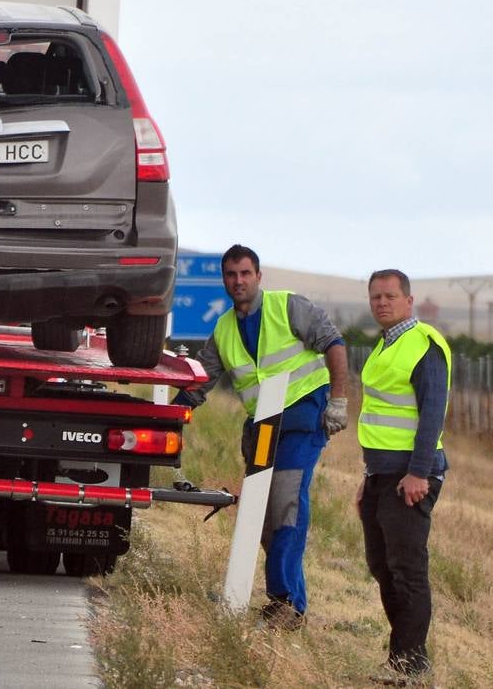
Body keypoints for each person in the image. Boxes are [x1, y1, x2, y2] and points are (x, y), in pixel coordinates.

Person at [172, 244, 350, 628]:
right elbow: (201, 381)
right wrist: (170, 413)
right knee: (263, 515)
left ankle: (283, 601)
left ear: (258, 276)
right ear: (224, 279)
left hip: (303, 418)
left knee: (286, 503)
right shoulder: (223, 329)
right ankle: (292, 605)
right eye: (231, 275)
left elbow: (334, 343)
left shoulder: (287, 307)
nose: (238, 281)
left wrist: (338, 401)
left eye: (245, 273)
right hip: (263, 427)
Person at [357, 269, 450, 686]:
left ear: (408, 301)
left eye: (391, 296)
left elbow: (432, 414)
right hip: (381, 473)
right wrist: (367, 475)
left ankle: (409, 665)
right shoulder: (385, 344)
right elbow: (380, 419)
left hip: (410, 474)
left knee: (407, 568)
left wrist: (418, 472)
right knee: (382, 565)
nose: (382, 303)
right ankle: (405, 657)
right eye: (376, 296)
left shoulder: (422, 345)